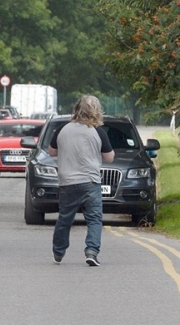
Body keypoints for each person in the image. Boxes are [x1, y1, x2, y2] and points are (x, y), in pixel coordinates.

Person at [48, 95, 114, 267]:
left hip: (67, 182)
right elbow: (109, 157)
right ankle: (92, 251)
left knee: (65, 219)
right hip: (90, 182)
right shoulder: (98, 131)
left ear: (76, 109)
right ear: (96, 111)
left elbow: (52, 152)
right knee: (94, 219)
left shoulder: (63, 129)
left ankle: (58, 252)